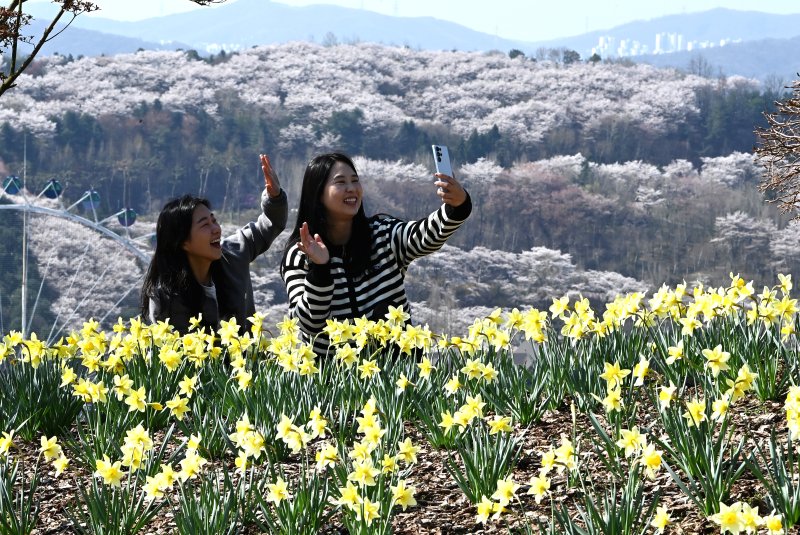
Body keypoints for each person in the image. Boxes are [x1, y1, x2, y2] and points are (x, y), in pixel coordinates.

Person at [281, 152, 471, 355]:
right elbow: (310, 324)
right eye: (340, 182)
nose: (351, 188)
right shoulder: (300, 254)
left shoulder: (382, 233)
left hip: (396, 371)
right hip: (337, 378)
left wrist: (457, 206)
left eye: (355, 180)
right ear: (317, 194)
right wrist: (320, 269)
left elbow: (424, 236)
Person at [141, 154, 288, 334]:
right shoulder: (166, 298)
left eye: (214, 220)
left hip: (246, 361)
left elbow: (270, 224)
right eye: (205, 225)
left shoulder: (233, 255)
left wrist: (274, 197)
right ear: (182, 242)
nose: (216, 229)